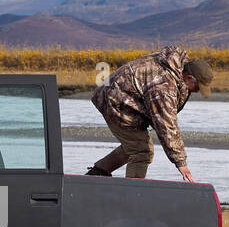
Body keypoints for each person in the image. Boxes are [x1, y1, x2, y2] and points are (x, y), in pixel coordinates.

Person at [86, 45, 213, 181]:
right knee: (142, 151)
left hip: (124, 97)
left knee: (134, 145)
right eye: (198, 87)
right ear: (189, 77)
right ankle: (133, 193)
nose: (198, 91)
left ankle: (97, 173)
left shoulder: (179, 66)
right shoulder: (163, 87)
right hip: (114, 102)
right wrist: (181, 163)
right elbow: (166, 125)